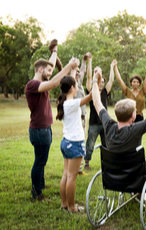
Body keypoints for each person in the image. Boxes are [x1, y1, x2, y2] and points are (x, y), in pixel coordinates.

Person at [25, 40, 79, 201]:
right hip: (39, 130)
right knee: (40, 162)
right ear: (40, 69)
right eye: (48, 71)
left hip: (44, 129)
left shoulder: (41, 83)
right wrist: (69, 66)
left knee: (42, 160)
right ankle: (36, 193)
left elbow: (52, 68)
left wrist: (54, 51)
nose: (50, 73)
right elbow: (55, 81)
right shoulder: (32, 85)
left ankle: (40, 185)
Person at [56, 72, 93, 212]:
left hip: (66, 142)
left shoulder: (65, 102)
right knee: (71, 176)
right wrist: (96, 79)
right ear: (72, 88)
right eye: (76, 85)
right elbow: (90, 96)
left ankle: (64, 204)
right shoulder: (72, 103)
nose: (77, 87)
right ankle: (72, 207)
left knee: (66, 174)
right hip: (74, 143)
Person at [84, 58, 114, 170]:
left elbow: (111, 81)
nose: (101, 84)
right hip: (94, 123)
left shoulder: (105, 92)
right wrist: (90, 62)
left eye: (102, 82)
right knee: (90, 144)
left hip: (105, 122)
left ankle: (107, 163)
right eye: (99, 82)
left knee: (106, 145)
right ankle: (87, 163)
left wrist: (112, 67)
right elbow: (88, 77)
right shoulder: (91, 91)